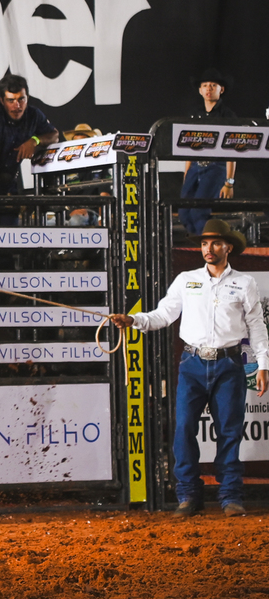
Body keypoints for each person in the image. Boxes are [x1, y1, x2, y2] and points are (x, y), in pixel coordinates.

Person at [109, 219, 268, 518]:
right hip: (193, 362)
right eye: (205, 243)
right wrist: (133, 320)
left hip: (229, 363)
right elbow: (163, 314)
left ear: (228, 247)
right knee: (183, 428)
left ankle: (230, 495)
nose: (209, 248)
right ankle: (189, 494)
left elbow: (256, 326)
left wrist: (263, 365)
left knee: (230, 431)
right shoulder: (186, 279)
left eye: (216, 243)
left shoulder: (244, 283)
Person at [0, 74, 59, 226]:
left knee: (11, 234)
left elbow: (54, 135)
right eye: (11, 100)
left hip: (8, 183)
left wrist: (34, 140)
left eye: (21, 99)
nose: (17, 105)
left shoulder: (33, 115)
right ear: (2, 101)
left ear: (27, 98)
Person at [179, 68, 238, 236]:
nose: (208, 89)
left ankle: (208, 244)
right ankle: (202, 242)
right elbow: (189, 147)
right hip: (194, 166)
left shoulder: (227, 115)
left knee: (199, 212)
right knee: (183, 213)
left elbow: (233, 150)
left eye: (213, 85)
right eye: (205, 85)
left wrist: (229, 182)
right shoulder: (194, 114)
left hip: (216, 166)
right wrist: (187, 172)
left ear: (221, 89)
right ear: (200, 90)